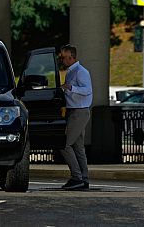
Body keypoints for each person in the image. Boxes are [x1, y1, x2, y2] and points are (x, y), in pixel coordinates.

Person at [58, 44, 92, 190]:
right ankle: (83, 179)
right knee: (78, 147)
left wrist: (70, 88)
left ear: (71, 57)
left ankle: (76, 177)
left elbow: (87, 90)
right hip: (75, 111)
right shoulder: (71, 72)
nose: (62, 60)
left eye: (64, 57)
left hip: (79, 111)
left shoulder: (80, 72)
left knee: (64, 145)